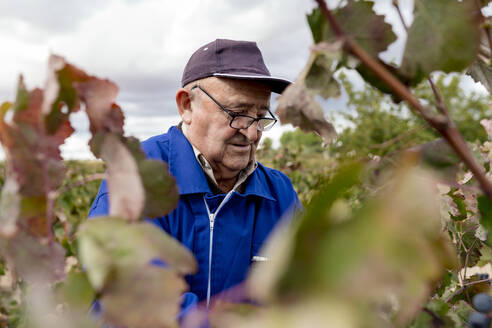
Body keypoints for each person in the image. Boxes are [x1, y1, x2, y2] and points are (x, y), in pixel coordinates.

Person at [88, 39, 301, 309]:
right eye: (237, 113)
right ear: (186, 105)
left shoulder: (279, 194)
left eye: (260, 116)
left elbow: (312, 287)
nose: (252, 133)